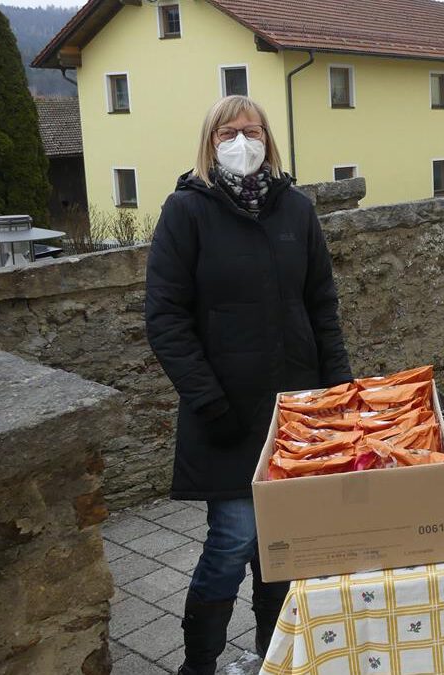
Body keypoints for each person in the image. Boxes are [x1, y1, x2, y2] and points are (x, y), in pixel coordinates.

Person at [145, 95, 353, 674]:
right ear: (211, 143)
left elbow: (322, 307)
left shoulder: (296, 211)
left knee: (281, 548)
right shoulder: (186, 212)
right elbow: (165, 318)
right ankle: (199, 664)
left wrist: (339, 393)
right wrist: (208, 400)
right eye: (229, 133)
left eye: (252, 130)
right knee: (233, 541)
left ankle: (272, 656)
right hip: (226, 414)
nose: (243, 141)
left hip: (296, 411)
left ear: (269, 139)